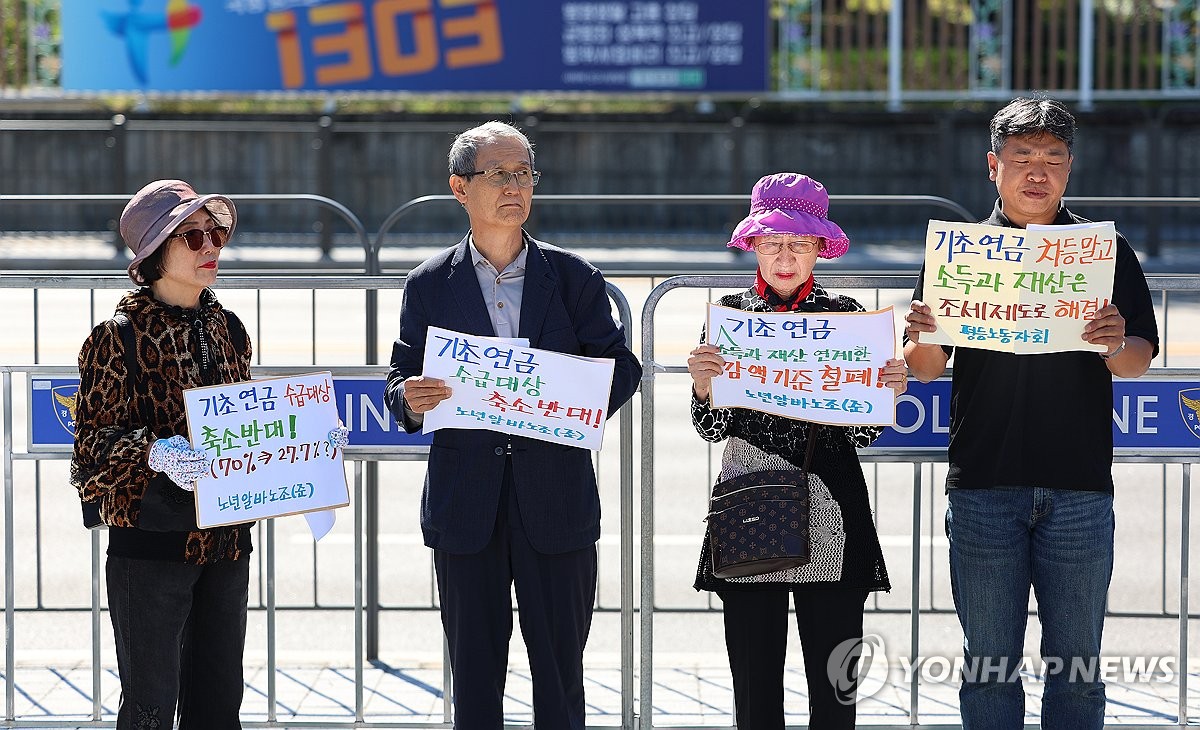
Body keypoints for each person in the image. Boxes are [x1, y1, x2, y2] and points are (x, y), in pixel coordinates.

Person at [904, 97, 1159, 729]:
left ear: (1070, 168)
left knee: (1078, 667)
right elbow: (926, 366)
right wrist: (923, 334)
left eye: (1052, 158)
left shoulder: (1103, 251)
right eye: (1022, 157)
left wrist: (1115, 341)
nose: (1037, 172)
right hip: (983, 484)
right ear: (994, 166)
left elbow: (1136, 361)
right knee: (988, 666)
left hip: (1079, 486)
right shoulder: (962, 252)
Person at [383, 121, 640, 729]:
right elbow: (400, 380)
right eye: (499, 174)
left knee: (560, 681)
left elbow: (621, 368)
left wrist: (564, 403)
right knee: (474, 686)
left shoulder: (573, 277)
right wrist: (411, 399)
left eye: (524, 173)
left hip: (556, 503)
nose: (514, 187)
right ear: (458, 187)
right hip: (466, 507)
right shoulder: (427, 284)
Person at [71, 179, 349, 730]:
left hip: (226, 546)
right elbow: (89, 458)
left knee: (219, 706)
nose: (210, 247)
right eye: (192, 236)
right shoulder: (115, 337)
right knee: (151, 708)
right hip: (152, 550)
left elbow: (245, 430)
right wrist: (156, 452)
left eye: (215, 233)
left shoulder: (228, 328)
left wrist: (303, 449)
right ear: (154, 254)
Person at [688, 172, 904, 729]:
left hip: (832, 505)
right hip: (748, 501)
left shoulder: (848, 316)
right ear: (753, 247)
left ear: (819, 250)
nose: (785, 256)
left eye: (799, 243)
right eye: (772, 243)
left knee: (836, 687)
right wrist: (704, 389)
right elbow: (711, 429)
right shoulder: (730, 317)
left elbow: (863, 435)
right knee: (754, 685)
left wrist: (884, 393)